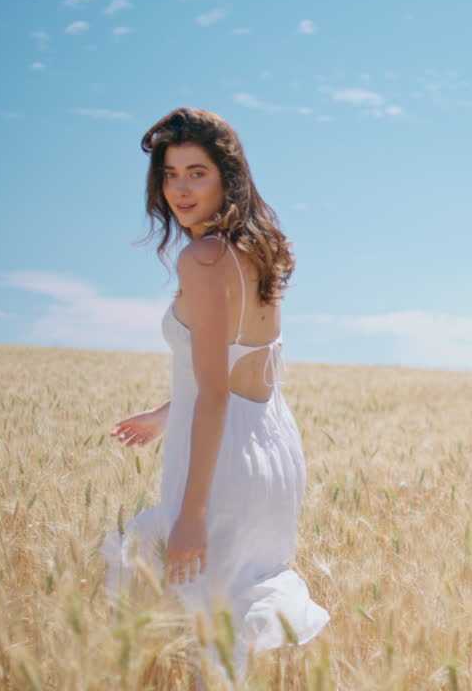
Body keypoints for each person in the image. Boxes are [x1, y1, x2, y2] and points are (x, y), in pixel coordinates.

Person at [100, 107, 329, 683]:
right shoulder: (260, 250)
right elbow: (238, 369)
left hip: (222, 461)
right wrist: (164, 413)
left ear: (228, 176)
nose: (180, 188)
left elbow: (215, 396)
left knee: (183, 610)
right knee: (223, 632)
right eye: (170, 173)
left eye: (196, 172)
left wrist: (192, 515)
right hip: (271, 455)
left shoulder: (202, 259)